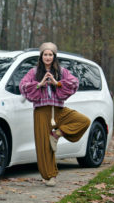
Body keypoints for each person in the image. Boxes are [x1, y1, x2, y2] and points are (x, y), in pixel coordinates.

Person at [19, 42, 90, 187]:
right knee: (44, 146)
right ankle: (49, 176)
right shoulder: (34, 72)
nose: (48, 57)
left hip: (58, 109)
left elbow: (74, 83)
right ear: (41, 56)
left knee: (84, 121)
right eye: (45, 54)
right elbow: (23, 86)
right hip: (41, 111)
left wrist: (57, 83)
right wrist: (40, 84)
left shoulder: (62, 71)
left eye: (50, 54)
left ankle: (57, 134)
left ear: (54, 56)